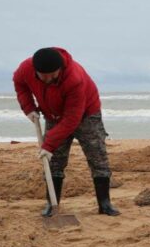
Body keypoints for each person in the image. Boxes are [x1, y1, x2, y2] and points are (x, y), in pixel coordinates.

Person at [13, 47, 120, 217]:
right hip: (53, 115)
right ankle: (51, 204)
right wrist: (28, 108)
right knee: (54, 161)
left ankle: (105, 204)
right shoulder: (25, 69)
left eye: (52, 75)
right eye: (43, 76)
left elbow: (71, 119)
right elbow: (20, 84)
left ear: (60, 69)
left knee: (97, 157)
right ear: (35, 70)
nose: (48, 80)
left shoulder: (74, 78)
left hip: (86, 115)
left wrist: (48, 144)